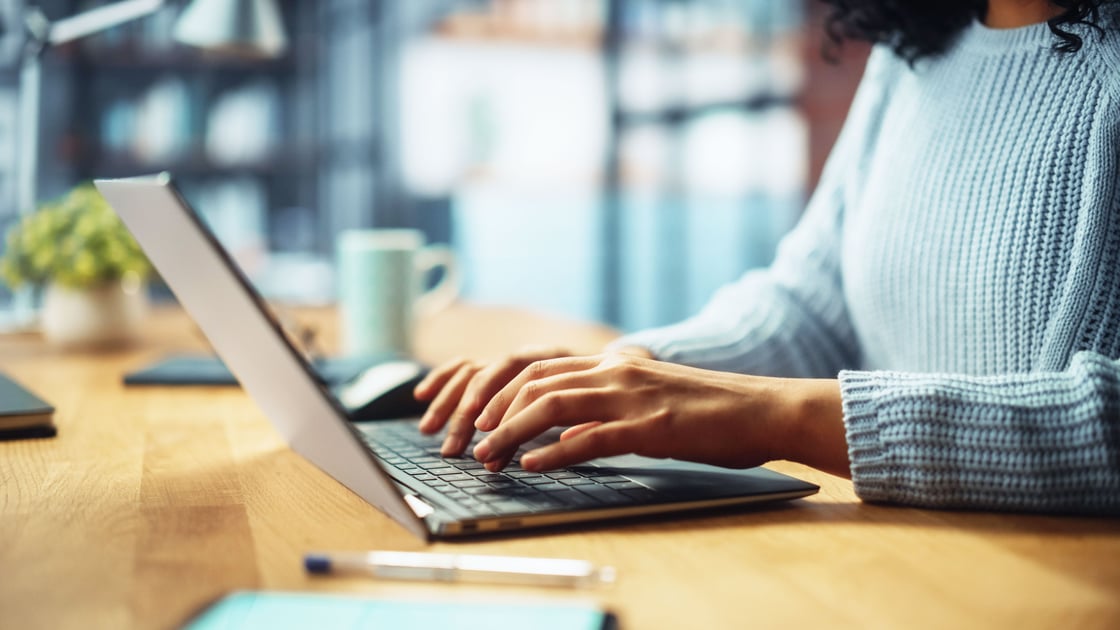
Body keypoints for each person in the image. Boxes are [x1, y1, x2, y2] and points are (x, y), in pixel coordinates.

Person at [413, 0, 1120, 515]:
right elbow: (813, 305)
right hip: (895, 558)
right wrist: (623, 377)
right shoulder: (920, 48)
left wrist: (778, 417)